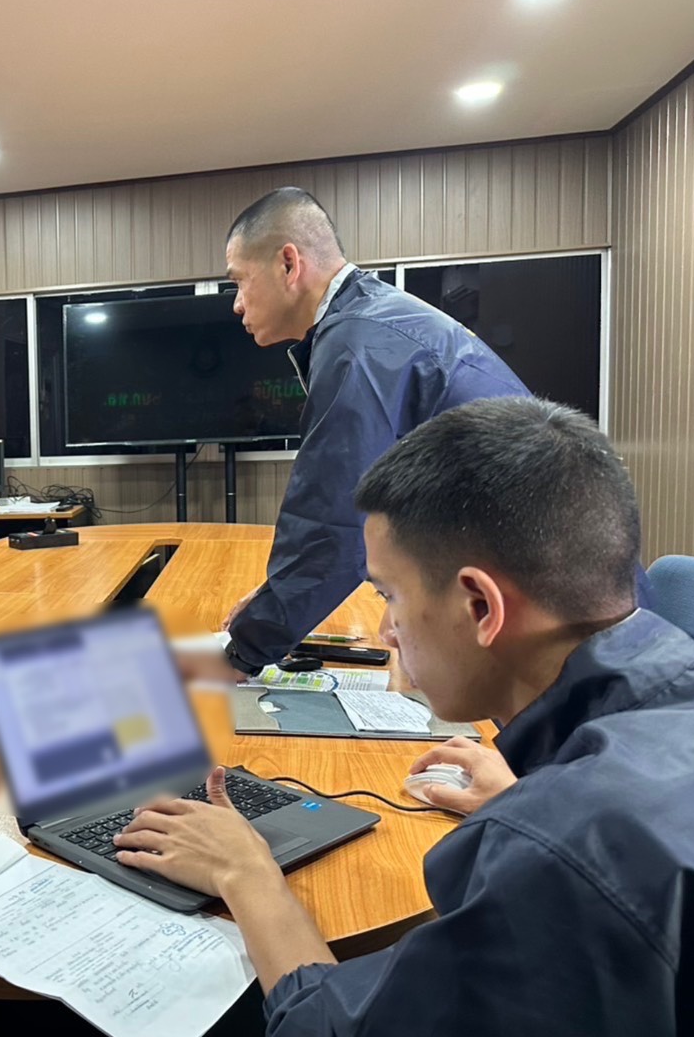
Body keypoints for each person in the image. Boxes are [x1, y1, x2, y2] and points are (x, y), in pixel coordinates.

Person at [114, 397, 694, 1037]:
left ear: (479, 606)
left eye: (390, 596)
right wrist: (531, 795)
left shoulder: (550, 856)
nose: (386, 632)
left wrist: (243, 871)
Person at [191, 187, 530, 682]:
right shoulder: (370, 321)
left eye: (239, 282)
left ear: (288, 264)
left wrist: (241, 652)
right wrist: (272, 604)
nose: (237, 305)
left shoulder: (357, 346)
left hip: (536, 607)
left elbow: (332, 525)